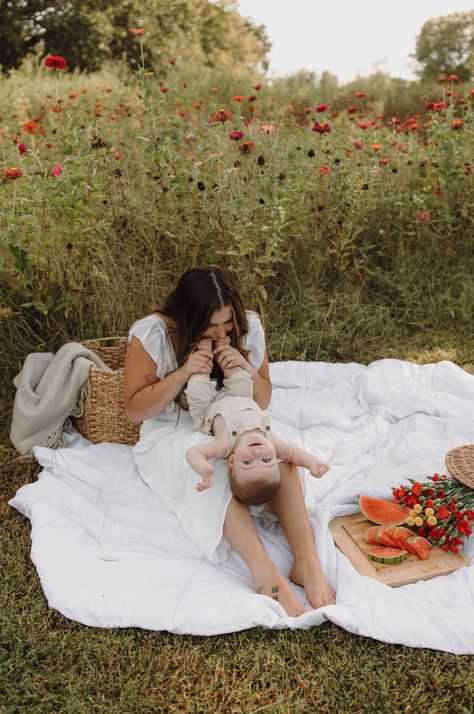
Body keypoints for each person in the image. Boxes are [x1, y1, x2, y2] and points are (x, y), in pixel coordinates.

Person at [124, 265, 336, 616]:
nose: (222, 333)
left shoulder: (248, 326)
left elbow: (263, 399)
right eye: (210, 326)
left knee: (272, 453)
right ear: (189, 318)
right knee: (216, 468)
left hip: (237, 414)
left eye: (227, 324)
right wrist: (184, 373)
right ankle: (265, 574)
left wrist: (245, 367)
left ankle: (307, 562)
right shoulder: (154, 333)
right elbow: (135, 409)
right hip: (175, 428)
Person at [185, 337, 329, 507]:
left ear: (231, 461)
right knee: (239, 377)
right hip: (240, 396)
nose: (257, 455)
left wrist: (204, 468)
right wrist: (312, 463)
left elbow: (193, 453)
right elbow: (292, 454)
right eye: (267, 461)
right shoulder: (270, 440)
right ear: (275, 457)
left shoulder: (225, 444)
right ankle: (223, 347)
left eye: (247, 463)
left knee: (197, 387)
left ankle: (204, 352)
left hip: (208, 408)